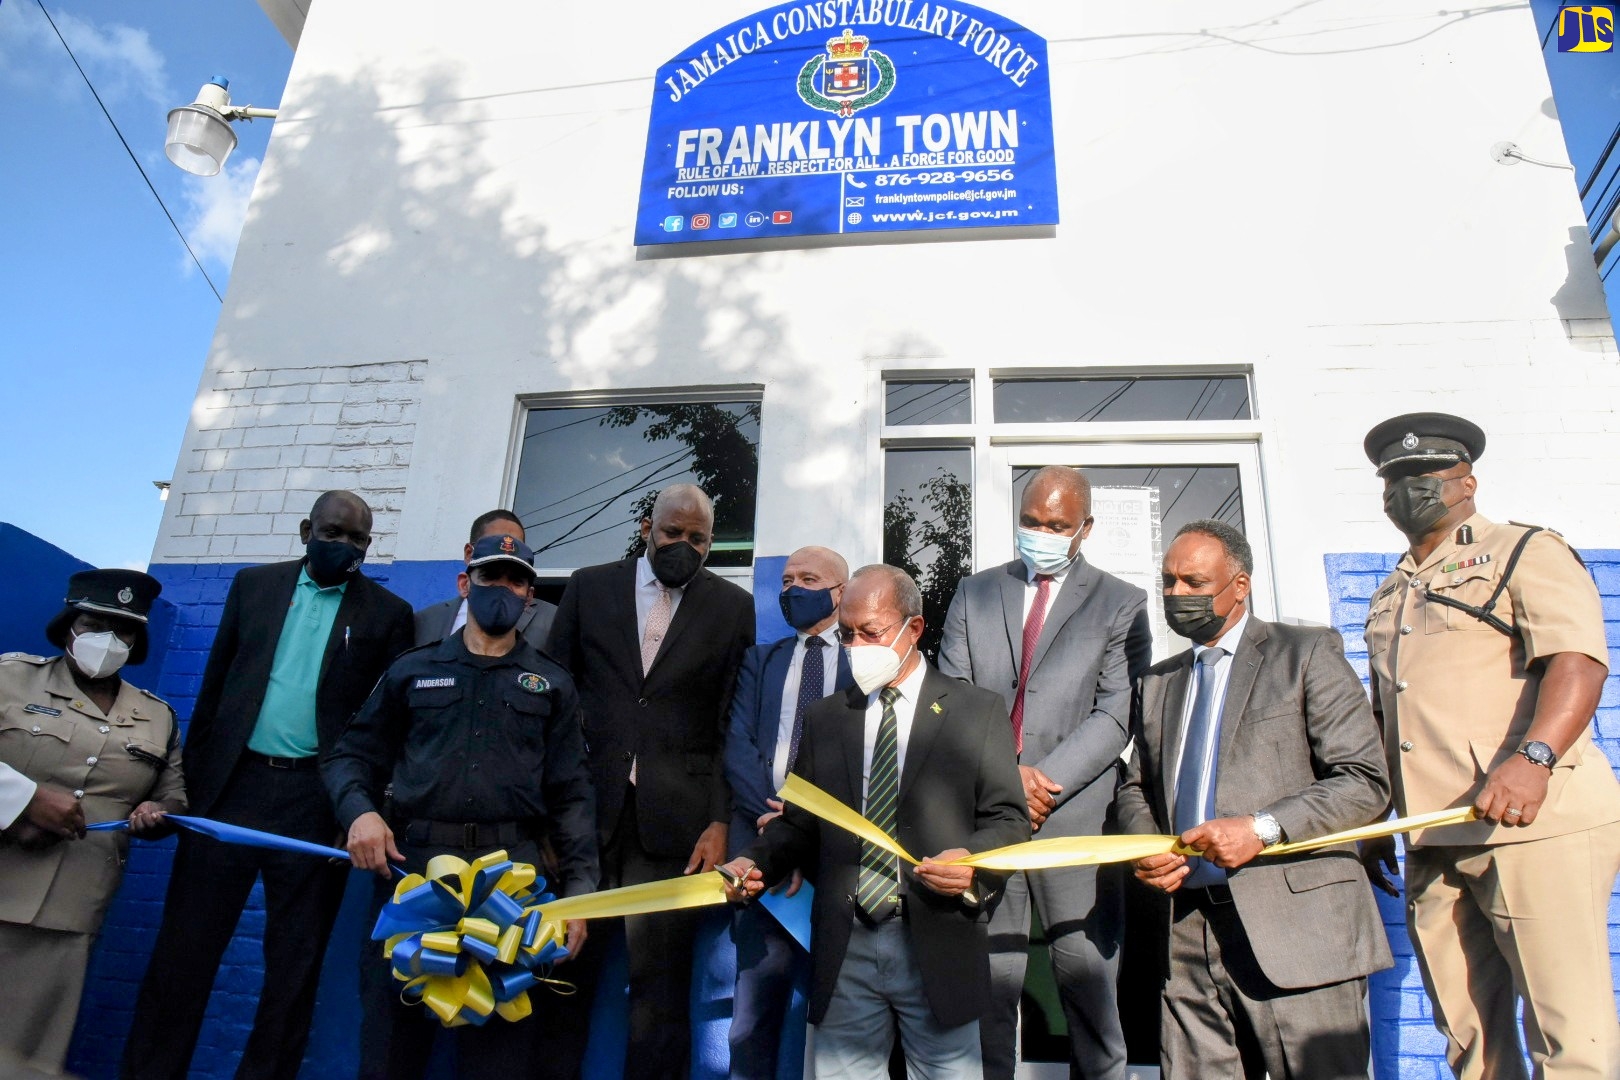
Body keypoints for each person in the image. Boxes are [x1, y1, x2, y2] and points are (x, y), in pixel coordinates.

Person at [1359, 412, 1620, 1079]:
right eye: (1394, 480)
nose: (1406, 491)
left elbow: (1578, 659)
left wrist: (1534, 758)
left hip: (1534, 824)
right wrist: (1372, 818)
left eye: (1423, 476)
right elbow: (1391, 711)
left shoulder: (1523, 550)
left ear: (1465, 481)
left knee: (1570, 1036)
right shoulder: (1393, 589)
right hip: (1435, 833)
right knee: (1471, 1039)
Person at [122, 491, 415, 1080]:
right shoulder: (253, 586)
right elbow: (213, 694)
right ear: (307, 529)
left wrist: (354, 808)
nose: (346, 547)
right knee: (183, 955)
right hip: (231, 791)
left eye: (359, 539)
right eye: (334, 533)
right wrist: (194, 789)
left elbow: (385, 728)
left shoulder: (388, 614)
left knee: (293, 970)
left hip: (316, 803)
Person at [720, 564, 1029, 1080]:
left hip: (937, 936)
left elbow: (1008, 819)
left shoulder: (976, 711)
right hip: (848, 944)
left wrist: (973, 866)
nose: (857, 645)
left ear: (914, 628)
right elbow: (799, 823)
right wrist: (754, 862)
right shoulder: (826, 718)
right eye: (847, 634)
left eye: (872, 632)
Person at [1118, 520, 1392, 1080]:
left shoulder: (1306, 652)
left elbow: (1365, 780)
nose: (1177, 595)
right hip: (1186, 932)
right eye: (1169, 582)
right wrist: (1147, 845)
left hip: (1298, 930)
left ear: (1238, 586)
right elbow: (1135, 786)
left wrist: (1263, 828)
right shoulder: (1159, 682)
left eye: (1194, 582)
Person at [324, 533, 598, 1078]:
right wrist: (360, 812)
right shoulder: (412, 670)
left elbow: (573, 795)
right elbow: (349, 756)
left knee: (498, 1054)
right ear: (464, 583)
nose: (502, 589)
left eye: (516, 580)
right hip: (414, 875)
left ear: (530, 597)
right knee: (390, 1043)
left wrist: (580, 895)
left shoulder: (552, 683)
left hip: (510, 883)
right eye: (491, 576)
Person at [938, 464, 1150, 1080]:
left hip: (1078, 814)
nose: (1041, 533)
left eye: (1057, 525)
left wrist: (1043, 781)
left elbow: (1117, 715)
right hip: (987, 815)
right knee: (991, 983)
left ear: (1084, 528)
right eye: (1031, 522)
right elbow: (951, 696)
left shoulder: (1121, 603)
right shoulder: (974, 593)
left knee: (1085, 978)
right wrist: (1008, 780)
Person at [543, 483, 754, 1080]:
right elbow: (555, 705)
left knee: (658, 999)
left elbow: (729, 724)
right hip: (585, 820)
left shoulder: (731, 608)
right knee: (562, 979)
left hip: (676, 832)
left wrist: (719, 820)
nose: (682, 545)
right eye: (672, 533)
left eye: (698, 539)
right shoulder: (588, 587)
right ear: (646, 528)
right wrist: (548, 818)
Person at [0, 570, 186, 1072]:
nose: (108, 640)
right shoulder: (11, 677)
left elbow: (172, 796)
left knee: (30, 1053)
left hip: (71, 907)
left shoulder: (156, 716)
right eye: (94, 623)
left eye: (123, 630)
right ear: (68, 628)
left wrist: (161, 813)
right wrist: (25, 798)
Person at [722, 545, 854, 1080]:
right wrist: (777, 828)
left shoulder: (862, 661)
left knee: (842, 1013)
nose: (793, 588)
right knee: (752, 1016)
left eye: (809, 578)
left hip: (838, 850)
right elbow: (738, 744)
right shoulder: (761, 659)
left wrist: (805, 830)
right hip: (759, 843)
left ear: (839, 593)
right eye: (788, 579)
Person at [413, 509, 556, 649]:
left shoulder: (553, 620)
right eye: (493, 544)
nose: (505, 551)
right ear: (469, 554)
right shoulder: (425, 621)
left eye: (516, 547)